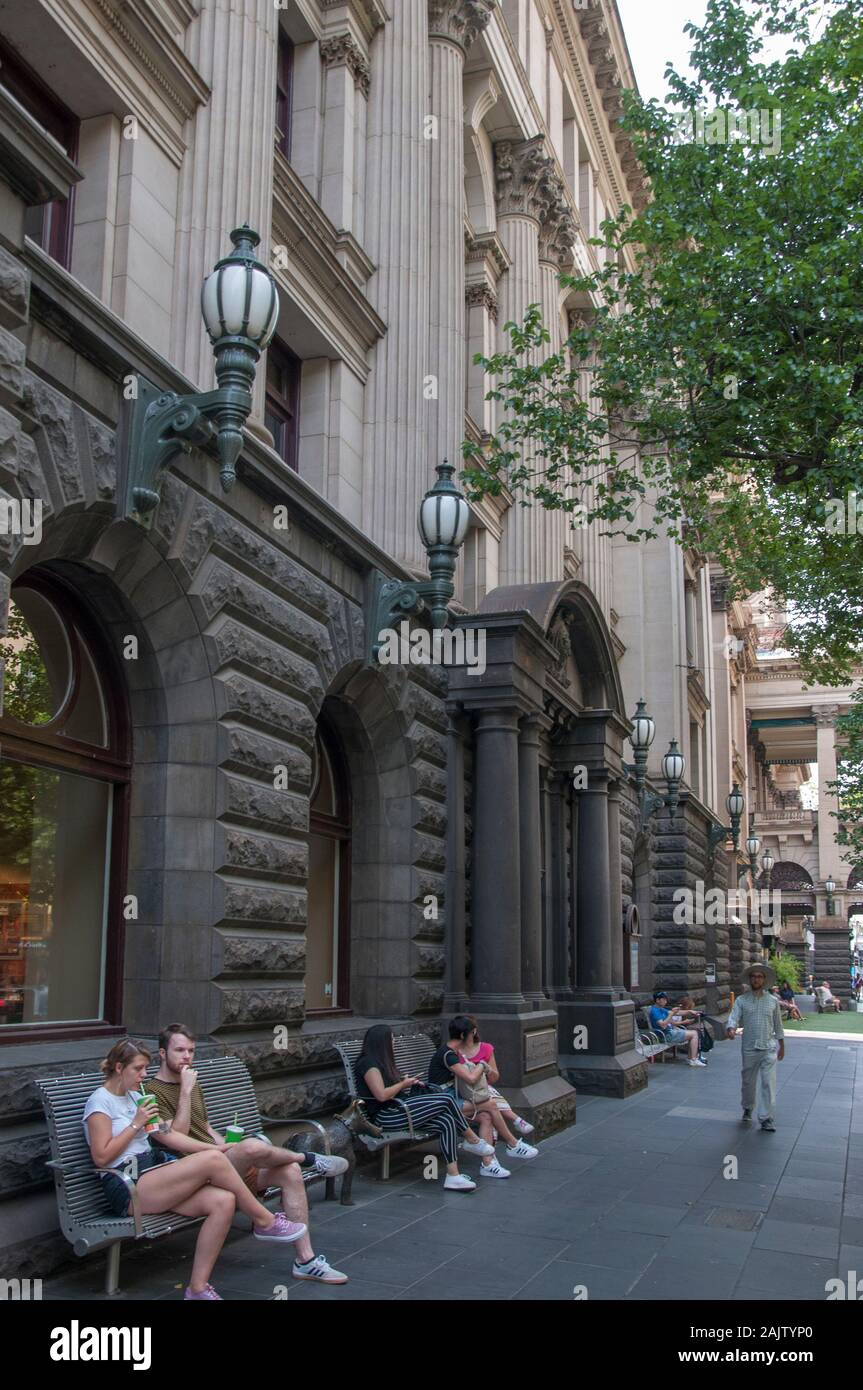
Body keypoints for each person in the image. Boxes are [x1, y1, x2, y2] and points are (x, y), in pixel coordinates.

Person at [84, 1039, 310, 1301]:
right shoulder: (100, 1102)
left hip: (155, 1171)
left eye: (146, 1068)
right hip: (126, 1183)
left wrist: (215, 1149)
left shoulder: (136, 1097)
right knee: (212, 1162)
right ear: (120, 1068)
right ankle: (264, 1221)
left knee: (223, 1200)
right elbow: (101, 1157)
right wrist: (135, 1125)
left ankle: (198, 1289)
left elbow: (168, 1137)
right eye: (139, 1069)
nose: (144, 1074)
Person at [148, 1024, 349, 1286]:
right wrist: (185, 1091)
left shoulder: (192, 1083)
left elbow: (205, 1127)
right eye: (179, 1050)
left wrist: (226, 1145)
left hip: (220, 1163)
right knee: (252, 1146)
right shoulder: (152, 1092)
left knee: (289, 1172)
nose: (187, 1056)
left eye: (191, 1051)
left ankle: (306, 1261)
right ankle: (308, 1159)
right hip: (193, 1173)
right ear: (162, 1053)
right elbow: (178, 1135)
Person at [353, 1024, 492, 1191]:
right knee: (447, 1099)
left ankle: (453, 1176)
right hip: (386, 1116)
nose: (394, 1042)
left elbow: (389, 1090)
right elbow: (381, 1095)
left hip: (399, 1109)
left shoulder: (381, 1062)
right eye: (391, 1039)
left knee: (446, 1120)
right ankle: (472, 1139)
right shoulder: (368, 1063)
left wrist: (408, 1083)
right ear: (381, 1042)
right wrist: (403, 1084)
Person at [431, 1015, 539, 1177]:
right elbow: (471, 1078)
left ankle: (488, 1164)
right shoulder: (448, 1054)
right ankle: (513, 1143)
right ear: (462, 1035)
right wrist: (482, 1064)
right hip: (442, 1104)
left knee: (486, 1116)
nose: (474, 1034)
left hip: (452, 1100)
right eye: (471, 1032)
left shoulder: (451, 1051)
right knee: (490, 1105)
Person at [725, 963, 785, 1131]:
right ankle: (747, 1107)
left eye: (759, 976)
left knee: (768, 1083)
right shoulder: (741, 1000)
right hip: (749, 1048)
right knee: (748, 1083)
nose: (756, 979)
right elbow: (734, 1017)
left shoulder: (773, 1001)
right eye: (753, 976)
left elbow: (778, 1025)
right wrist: (731, 1029)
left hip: (769, 1048)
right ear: (750, 979)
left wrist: (782, 1045)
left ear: (764, 980)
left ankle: (766, 1118)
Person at [457, 1017, 535, 1136]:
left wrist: (485, 1069)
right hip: (464, 1091)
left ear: (474, 1031)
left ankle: (491, 1153)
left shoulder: (486, 1048)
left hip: (482, 1090)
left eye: (465, 1032)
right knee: (490, 1101)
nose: (462, 1036)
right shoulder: (454, 1052)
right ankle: (516, 1120)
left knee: (489, 1104)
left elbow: (494, 1078)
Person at [648, 990, 706, 1066]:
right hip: (665, 1036)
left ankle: (691, 1058)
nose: (666, 1001)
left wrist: (691, 1011)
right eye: (664, 999)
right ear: (657, 1000)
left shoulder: (661, 1009)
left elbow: (678, 1013)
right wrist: (671, 1014)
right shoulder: (655, 1011)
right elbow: (663, 1025)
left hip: (669, 1033)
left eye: (666, 999)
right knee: (694, 1034)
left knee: (694, 1033)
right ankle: (693, 1059)